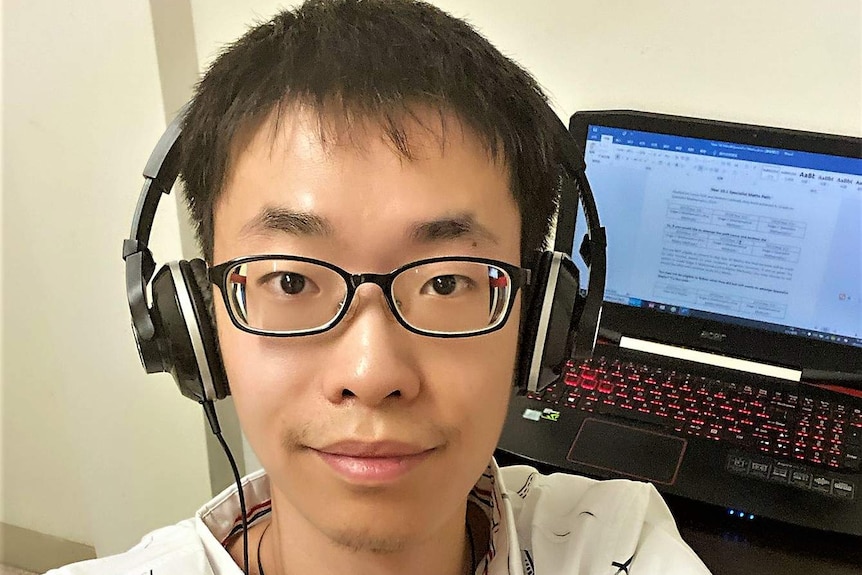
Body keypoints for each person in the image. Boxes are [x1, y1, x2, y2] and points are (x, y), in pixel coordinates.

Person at [50, 1, 711, 573]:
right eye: (290, 278)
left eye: (447, 281)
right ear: (196, 321)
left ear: (540, 320)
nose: (372, 374)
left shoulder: (621, 542)